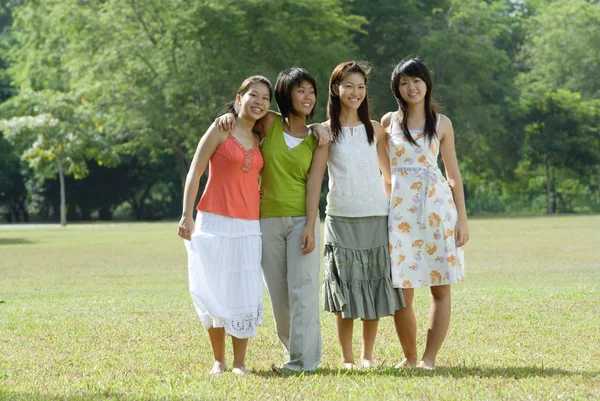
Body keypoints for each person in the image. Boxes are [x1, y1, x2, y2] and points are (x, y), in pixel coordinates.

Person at [215, 67, 328, 372]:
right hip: (265, 220)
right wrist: (227, 117)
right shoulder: (270, 123)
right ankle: (295, 353)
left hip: (300, 221)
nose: (307, 97)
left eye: (311, 91)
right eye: (300, 90)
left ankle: (304, 361)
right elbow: (246, 116)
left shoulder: (318, 137)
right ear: (286, 94)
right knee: (279, 296)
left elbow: (315, 183)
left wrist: (309, 225)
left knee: (303, 290)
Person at [307, 61, 405, 369]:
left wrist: (396, 214)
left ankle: (367, 356)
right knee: (345, 289)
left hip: (376, 216)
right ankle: (347, 358)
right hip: (340, 218)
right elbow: (315, 180)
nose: (356, 92)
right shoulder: (324, 132)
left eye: (361, 87)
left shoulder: (375, 129)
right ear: (336, 89)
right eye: (349, 86)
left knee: (374, 285)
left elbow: (389, 176)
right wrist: (310, 224)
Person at [177, 75, 272, 376]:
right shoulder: (221, 129)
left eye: (265, 98)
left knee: (242, 292)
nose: (259, 102)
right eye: (253, 95)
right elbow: (196, 170)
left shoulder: (262, 136)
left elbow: (291, 117)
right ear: (238, 97)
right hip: (213, 221)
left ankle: (240, 363)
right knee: (212, 288)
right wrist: (186, 214)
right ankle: (219, 361)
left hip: (248, 226)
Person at [382, 57, 469, 370]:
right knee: (402, 291)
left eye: (416, 80)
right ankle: (408, 357)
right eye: (404, 82)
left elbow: (453, 174)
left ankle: (429, 359)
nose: (411, 87)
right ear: (397, 88)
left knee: (439, 288)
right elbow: (385, 174)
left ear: (426, 83)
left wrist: (462, 219)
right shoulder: (388, 122)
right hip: (399, 213)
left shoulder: (441, 123)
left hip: (437, 212)